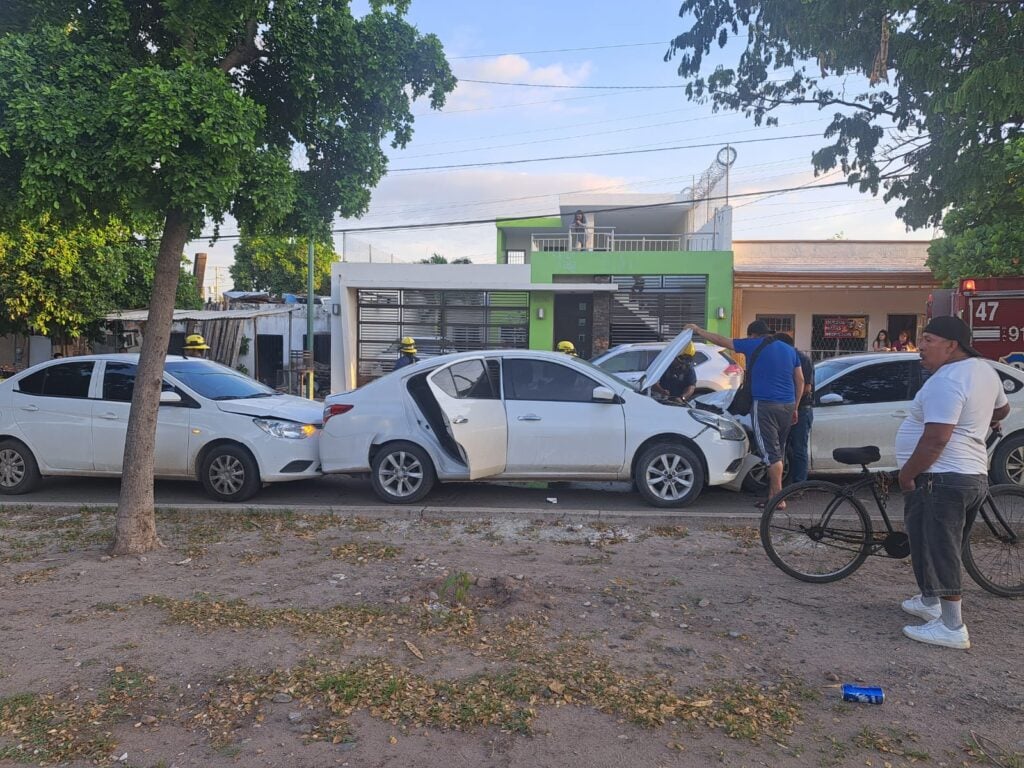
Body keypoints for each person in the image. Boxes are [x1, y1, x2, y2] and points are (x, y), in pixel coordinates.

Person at [895, 316, 1009, 649]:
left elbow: (935, 440)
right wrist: (978, 419)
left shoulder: (947, 380)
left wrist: (907, 474)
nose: (921, 346)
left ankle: (951, 626)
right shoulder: (985, 371)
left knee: (941, 547)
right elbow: (1001, 410)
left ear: (951, 344)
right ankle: (931, 601)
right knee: (927, 539)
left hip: (942, 476)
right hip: (969, 475)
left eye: (928, 339)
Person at [686, 320, 803, 507]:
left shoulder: (752, 344)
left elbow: (722, 341)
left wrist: (698, 330)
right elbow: (800, 380)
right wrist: (795, 406)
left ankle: (778, 499)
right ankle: (773, 496)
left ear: (753, 335)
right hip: (787, 405)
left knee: (771, 455)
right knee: (778, 451)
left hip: (765, 405)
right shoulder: (790, 350)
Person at [774, 333, 814, 483]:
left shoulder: (803, 359)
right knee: (781, 449)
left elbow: (806, 387)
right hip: (784, 408)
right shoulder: (782, 359)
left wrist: (790, 400)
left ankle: (799, 485)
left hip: (801, 409)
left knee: (798, 449)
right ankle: (782, 484)